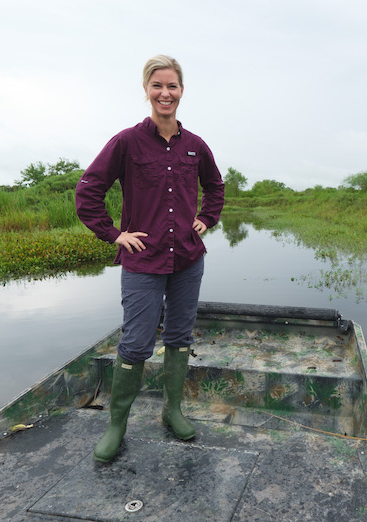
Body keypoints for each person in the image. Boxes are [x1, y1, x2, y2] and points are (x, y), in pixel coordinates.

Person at [75, 54, 224, 463]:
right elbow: (87, 191)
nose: (165, 93)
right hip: (143, 261)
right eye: (157, 85)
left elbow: (216, 187)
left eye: (172, 86)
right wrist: (114, 234)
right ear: (146, 91)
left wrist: (206, 218)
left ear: (181, 91)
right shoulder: (126, 141)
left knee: (179, 337)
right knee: (137, 343)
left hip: (188, 260)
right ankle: (117, 424)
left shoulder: (195, 145)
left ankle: (172, 409)